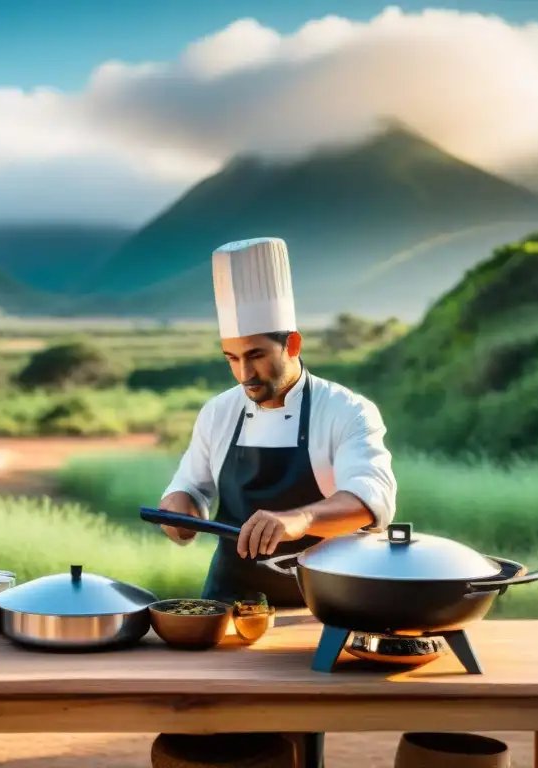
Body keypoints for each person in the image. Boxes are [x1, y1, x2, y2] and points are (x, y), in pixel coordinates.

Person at [157, 237, 398, 768]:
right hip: (228, 607)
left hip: (320, 606)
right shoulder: (219, 412)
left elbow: (371, 498)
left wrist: (299, 519)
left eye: (257, 356)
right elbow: (190, 487)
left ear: (292, 342)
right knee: (209, 730)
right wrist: (181, 515)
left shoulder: (346, 410)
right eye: (232, 359)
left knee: (292, 740)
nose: (245, 375)